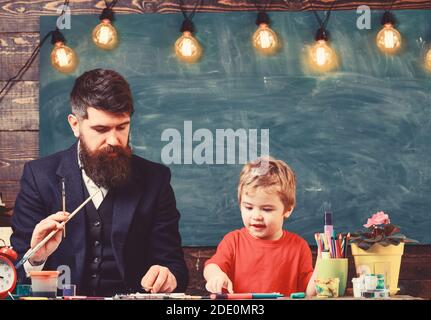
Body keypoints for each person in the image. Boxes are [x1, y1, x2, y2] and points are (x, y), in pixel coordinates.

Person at [11, 69, 188, 296]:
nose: (114, 140)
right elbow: (12, 274)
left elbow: (176, 268)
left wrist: (168, 276)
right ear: (75, 125)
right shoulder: (39, 177)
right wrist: (35, 258)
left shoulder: (156, 180)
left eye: (122, 127)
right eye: (101, 129)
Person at [204, 157, 316, 296]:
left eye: (267, 209)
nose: (256, 216)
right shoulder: (233, 241)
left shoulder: (299, 247)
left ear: (288, 209)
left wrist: (324, 266)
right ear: (240, 204)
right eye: (249, 207)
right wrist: (216, 276)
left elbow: (310, 292)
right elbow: (211, 266)